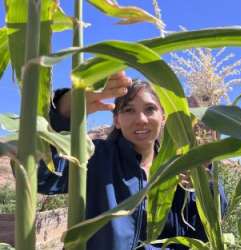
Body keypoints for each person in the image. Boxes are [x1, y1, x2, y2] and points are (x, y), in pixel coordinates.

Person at [37, 72, 227, 250]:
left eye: (150, 109)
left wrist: (207, 174)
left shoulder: (179, 170)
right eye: (129, 110)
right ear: (117, 120)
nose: (141, 119)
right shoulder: (95, 157)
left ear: (163, 117)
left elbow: (202, 233)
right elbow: (41, 176)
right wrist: (63, 112)